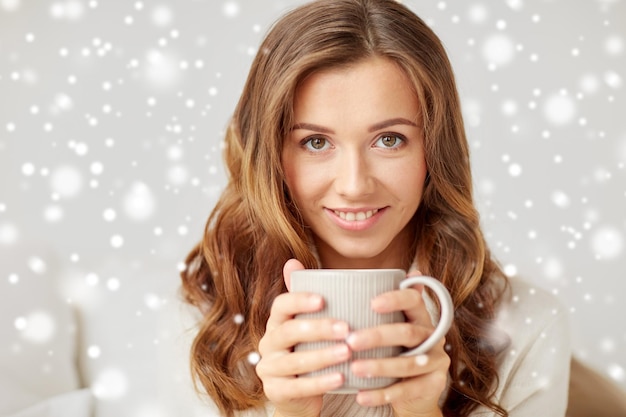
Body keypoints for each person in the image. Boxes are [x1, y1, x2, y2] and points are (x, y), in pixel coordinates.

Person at [180, 0, 571, 416]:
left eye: (389, 140)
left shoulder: (527, 326)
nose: (353, 185)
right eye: (315, 142)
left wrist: (421, 411)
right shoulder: (204, 322)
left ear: (435, 151)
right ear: (271, 156)